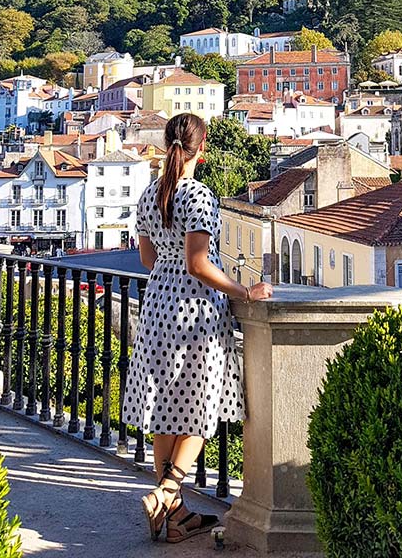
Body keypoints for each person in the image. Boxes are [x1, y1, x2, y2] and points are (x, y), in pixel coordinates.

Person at [122, 112, 273, 544]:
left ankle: (175, 518)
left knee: (164, 410)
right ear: (200, 150)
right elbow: (199, 263)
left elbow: (148, 260)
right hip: (193, 311)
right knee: (198, 408)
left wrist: (172, 268)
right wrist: (244, 292)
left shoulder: (149, 196)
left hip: (156, 306)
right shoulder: (198, 196)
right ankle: (166, 492)